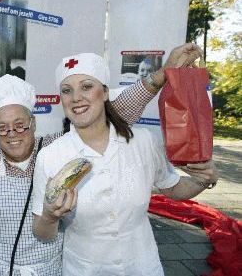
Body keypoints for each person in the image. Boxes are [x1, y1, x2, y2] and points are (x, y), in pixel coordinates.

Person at [0, 67, 155, 274]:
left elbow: (110, 115)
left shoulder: (57, 149)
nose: (12, 133)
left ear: (33, 123)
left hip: (49, 269)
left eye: (20, 124)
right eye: (2, 128)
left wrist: (155, 81)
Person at [31, 52, 218, 275]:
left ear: (106, 93)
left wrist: (203, 180)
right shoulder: (51, 156)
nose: (76, 97)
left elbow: (174, 187)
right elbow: (42, 232)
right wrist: (50, 217)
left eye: (87, 86)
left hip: (141, 266)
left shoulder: (142, 141)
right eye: (67, 90)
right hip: (85, 269)